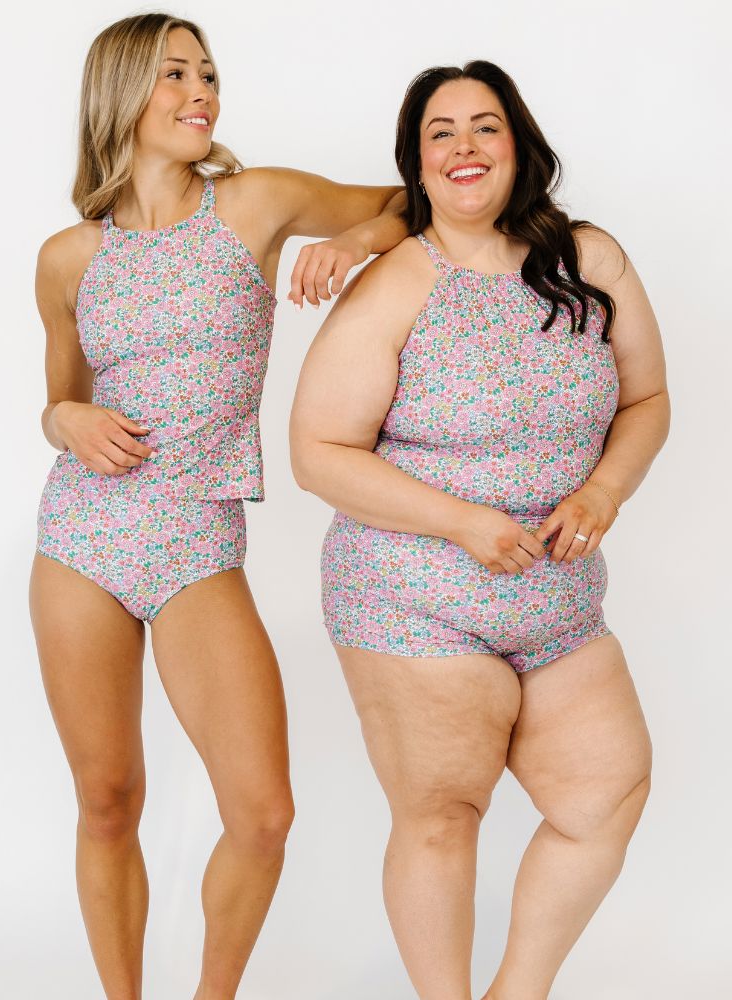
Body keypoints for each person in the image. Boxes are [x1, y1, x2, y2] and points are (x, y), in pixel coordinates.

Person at [29, 13, 406, 1000]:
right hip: (81, 539)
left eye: (208, 74)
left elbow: (409, 200)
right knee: (106, 799)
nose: (201, 92)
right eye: (175, 75)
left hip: (198, 542)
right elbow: (57, 402)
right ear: (121, 93)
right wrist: (67, 418)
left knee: (262, 813)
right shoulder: (67, 257)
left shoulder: (254, 203)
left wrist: (358, 238)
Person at [290, 60, 669, 1000]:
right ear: (417, 164)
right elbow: (318, 452)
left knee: (606, 792)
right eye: (441, 132)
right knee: (441, 813)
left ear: (518, 144)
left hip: (558, 599)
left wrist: (605, 492)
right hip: (414, 598)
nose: (465, 147)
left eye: (485, 126)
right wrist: (462, 523)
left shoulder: (589, 260)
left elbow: (647, 399)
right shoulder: (396, 282)